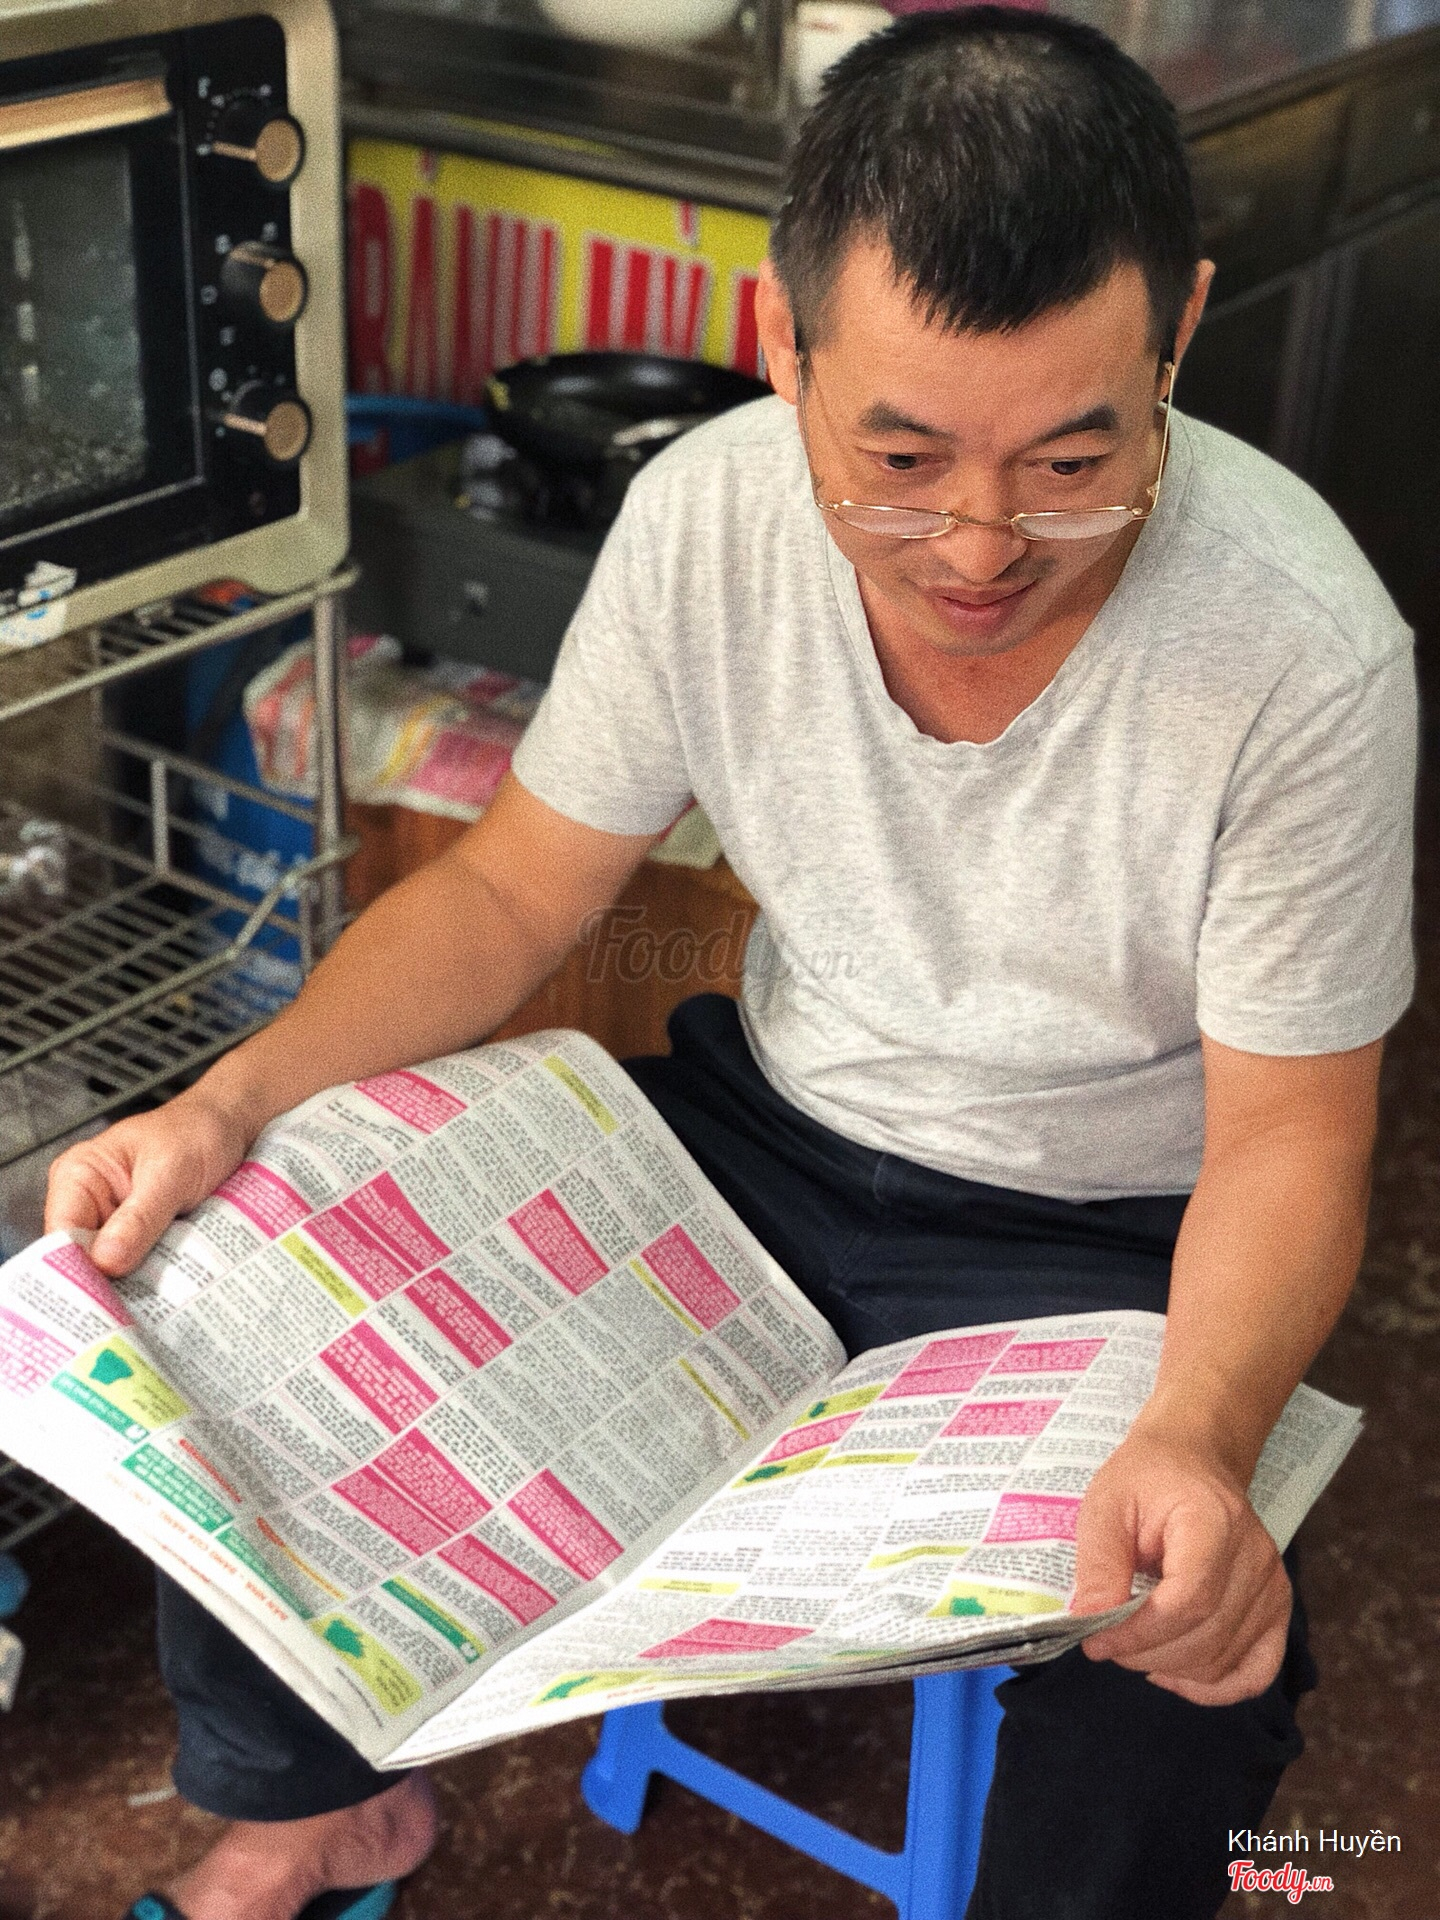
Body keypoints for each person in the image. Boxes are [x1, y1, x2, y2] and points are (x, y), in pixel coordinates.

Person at [49, 12, 1415, 1920]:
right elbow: (511, 893)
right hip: (758, 1143)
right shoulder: (709, 512)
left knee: (1185, 1663)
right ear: (786, 346)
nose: (979, 545)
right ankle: (313, 1811)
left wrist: (1196, 1429)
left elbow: (1288, 1138)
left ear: (1178, 327)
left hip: (1104, 1231)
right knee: (234, 1243)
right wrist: (229, 1102)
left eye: (1074, 457)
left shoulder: (1300, 650)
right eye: (900, 457)